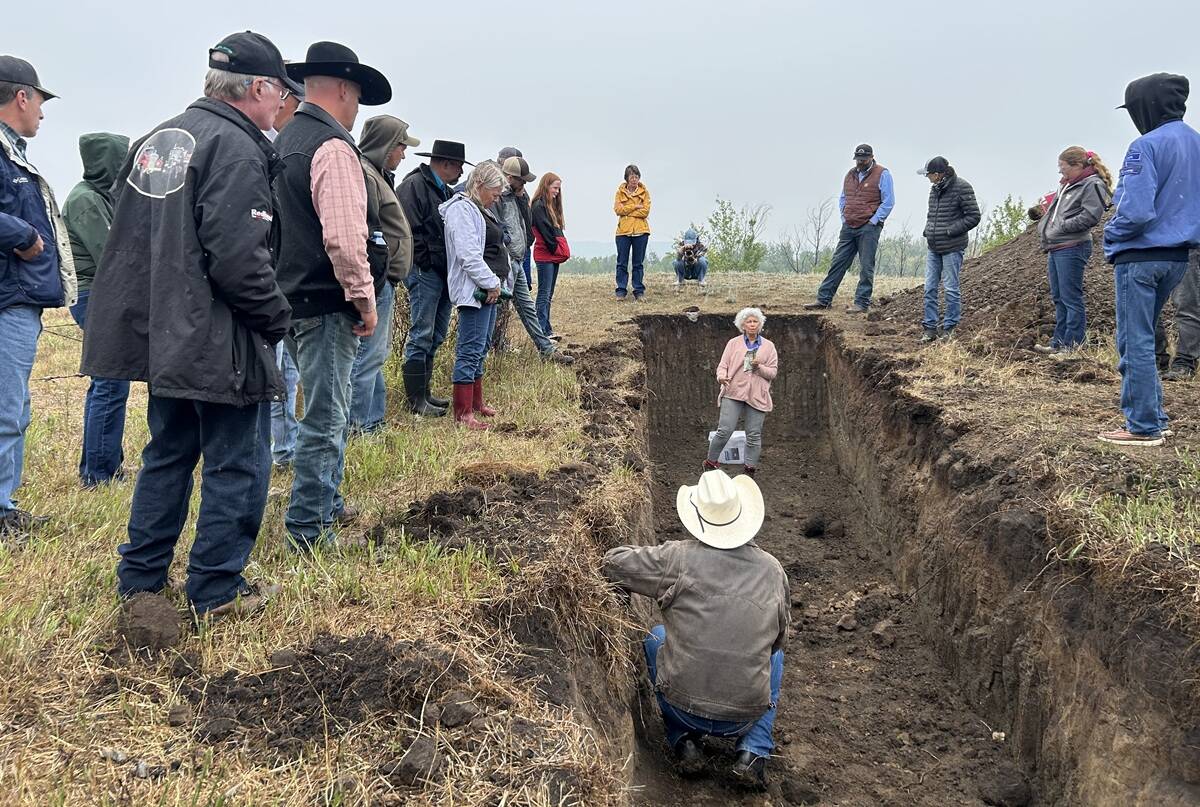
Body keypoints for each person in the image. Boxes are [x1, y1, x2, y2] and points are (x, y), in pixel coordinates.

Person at [80, 33, 291, 617]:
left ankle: (141, 579)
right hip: (217, 339)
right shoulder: (237, 146)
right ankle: (217, 591)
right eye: (279, 94)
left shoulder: (159, 138)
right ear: (257, 87)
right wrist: (276, 318)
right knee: (237, 463)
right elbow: (239, 259)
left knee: (167, 453)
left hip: (166, 336)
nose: (281, 107)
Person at [273, 41, 391, 550]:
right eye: (358, 95)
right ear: (343, 88)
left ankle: (328, 501)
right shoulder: (333, 148)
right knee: (326, 415)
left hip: (289, 298)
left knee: (322, 407)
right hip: (325, 303)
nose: (358, 106)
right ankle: (309, 528)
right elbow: (345, 238)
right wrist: (363, 298)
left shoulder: (281, 143)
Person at [602, 469, 788, 790]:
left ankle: (683, 739)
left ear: (697, 517)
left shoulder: (677, 558)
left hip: (682, 707)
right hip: (743, 717)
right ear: (742, 517)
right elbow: (777, 639)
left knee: (656, 637)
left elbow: (613, 562)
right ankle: (753, 752)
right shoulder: (772, 571)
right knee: (776, 657)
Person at [1100, 73, 1200, 447]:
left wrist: (1112, 234)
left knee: (1134, 340)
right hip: (1178, 257)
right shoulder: (1196, 143)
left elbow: (1136, 211)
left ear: (1146, 106)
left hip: (1141, 257)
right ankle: (1155, 416)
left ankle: (1142, 426)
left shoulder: (1145, 146)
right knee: (1145, 334)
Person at [0, 55, 74, 540]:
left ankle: (5, 503)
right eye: (40, 101)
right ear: (21, 96)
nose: (43, 113)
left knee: (16, 408)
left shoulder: (12, 151)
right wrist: (23, 234)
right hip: (7, 299)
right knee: (5, 410)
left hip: (18, 299)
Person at [348, 115, 420, 433]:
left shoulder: (377, 174)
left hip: (384, 280)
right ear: (386, 145)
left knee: (376, 355)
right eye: (401, 147)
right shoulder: (364, 175)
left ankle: (372, 422)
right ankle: (358, 428)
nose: (403, 154)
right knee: (366, 358)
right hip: (376, 281)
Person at [398, 139, 470, 416]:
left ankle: (424, 394)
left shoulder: (444, 191)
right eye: (459, 166)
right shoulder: (414, 186)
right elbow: (406, 230)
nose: (462, 172)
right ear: (444, 164)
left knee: (436, 334)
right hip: (424, 271)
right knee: (422, 333)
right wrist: (425, 262)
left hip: (440, 273)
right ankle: (416, 401)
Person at [1026, 147, 1114, 355]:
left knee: (1071, 297)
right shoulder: (1068, 185)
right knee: (1058, 296)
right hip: (1056, 246)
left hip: (1073, 246)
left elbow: (1091, 216)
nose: (1061, 173)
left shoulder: (1092, 184)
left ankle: (1072, 346)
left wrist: (1062, 225)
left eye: (1063, 168)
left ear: (1077, 165)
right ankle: (1059, 343)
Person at [440, 162, 506, 430]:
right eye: (495, 191)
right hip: (474, 291)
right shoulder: (461, 211)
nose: (497, 197)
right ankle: (463, 413)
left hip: (488, 290)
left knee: (480, 348)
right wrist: (490, 282)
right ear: (479, 185)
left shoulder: (480, 209)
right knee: (469, 351)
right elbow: (468, 255)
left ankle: (476, 403)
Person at [496, 155, 573, 365]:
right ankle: (489, 351)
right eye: (521, 180)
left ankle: (547, 350)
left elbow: (527, 224)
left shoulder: (519, 197)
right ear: (509, 177)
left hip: (517, 261)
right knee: (497, 310)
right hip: (504, 263)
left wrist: (524, 243)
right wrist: (507, 244)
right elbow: (496, 226)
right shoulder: (497, 197)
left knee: (527, 308)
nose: (524, 184)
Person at [266, 68, 304, 468]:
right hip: (267, 281)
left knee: (287, 373)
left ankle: (285, 447)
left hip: (288, 281)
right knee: (272, 373)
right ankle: (272, 448)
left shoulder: (290, 149)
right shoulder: (259, 149)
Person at [806, 144, 894, 313]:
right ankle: (824, 299)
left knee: (866, 266)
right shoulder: (850, 175)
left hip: (869, 227)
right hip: (849, 225)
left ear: (871, 157)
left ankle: (861, 303)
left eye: (863, 159)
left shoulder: (883, 174)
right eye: (858, 159)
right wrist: (844, 216)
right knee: (838, 262)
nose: (859, 162)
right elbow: (843, 197)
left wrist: (874, 221)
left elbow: (888, 201)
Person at [704, 308, 777, 477]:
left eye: (755, 321)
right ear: (742, 325)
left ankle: (749, 470)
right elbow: (723, 366)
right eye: (748, 322)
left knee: (753, 434)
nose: (752, 325)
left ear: (760, 324)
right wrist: (721, 377)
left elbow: (772, 372)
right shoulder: (733, 343)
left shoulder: (769, 346)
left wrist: (759, 367)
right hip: (734, 390)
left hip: (757, 394)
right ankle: (710, 463)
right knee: (724, 430)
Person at [918, 156, 981, 342]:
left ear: (937, 174)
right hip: (933, 246)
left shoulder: (962, 187)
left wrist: (950, 231)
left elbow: (974, 216)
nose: (927, 178)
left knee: (950, 288)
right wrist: (927, 230)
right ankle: (930, 328)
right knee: (929, 288)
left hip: (953, 246)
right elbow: (932, 214)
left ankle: (949, 328)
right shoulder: (934, 190)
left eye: (929, 174)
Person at [531, 172, 569, 338]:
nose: (557, 192)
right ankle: (542, 331)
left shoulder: (550, 206)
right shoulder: (539, 206)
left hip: (551, 256)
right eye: (555, 188)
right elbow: (547, 233)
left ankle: (547, 329)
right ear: (546, 186)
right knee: (544, 294)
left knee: (548, 294)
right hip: (545, 255)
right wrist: (558, 248)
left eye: (559, 189)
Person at [1154, 249, 1200, 380]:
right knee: (1148, 307)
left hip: (1184, 245)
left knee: (1186, 305)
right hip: (1151, 245)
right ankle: (1156, 360)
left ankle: (1185, 364)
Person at [614, 165, 651, 300]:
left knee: (638, 263)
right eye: (632, 177)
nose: (634, 179)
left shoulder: (644, 192)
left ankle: (638, 290)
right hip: (623, 232)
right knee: (622, 262)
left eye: (636, 176)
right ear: (627, 178)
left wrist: (627, 210)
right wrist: (635, 206)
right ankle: (621, 290)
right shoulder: (620, 192)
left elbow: (645, 211)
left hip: (641, 232)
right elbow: (618, 210)